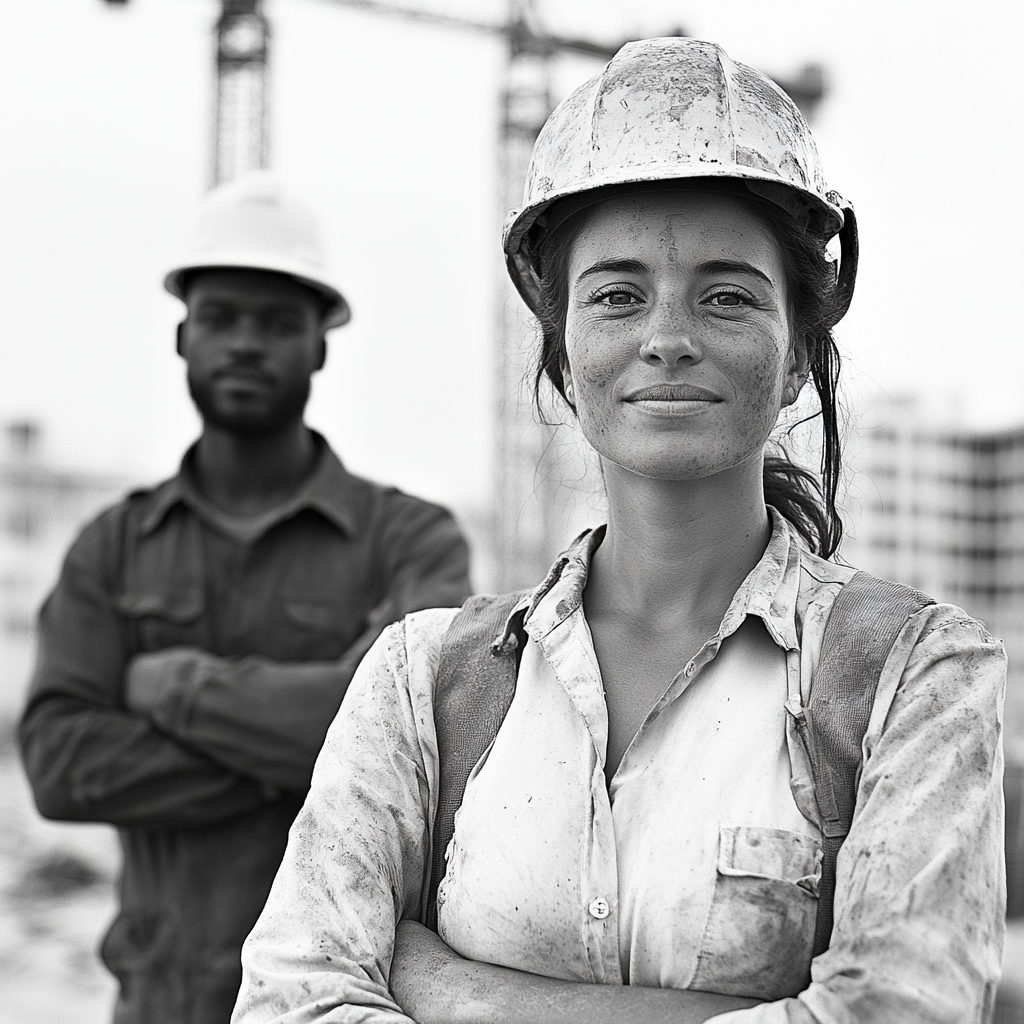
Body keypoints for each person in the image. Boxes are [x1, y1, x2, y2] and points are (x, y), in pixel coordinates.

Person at [232, 39, 1006, 1024]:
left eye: (727, 294)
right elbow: (291, 1003)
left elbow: (904, 1012)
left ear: (799, 360)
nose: (667, 335)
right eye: (616, 294)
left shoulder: (915, 678)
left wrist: (462, 992)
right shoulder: (422, 681)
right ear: (562, 358)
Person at [18, 172, 473, 1024]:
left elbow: (426, 745)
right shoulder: (112, 548)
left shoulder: (413, 541)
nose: (246, 345)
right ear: (183, 336)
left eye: (276, 324)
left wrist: (170, 688)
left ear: (321, 345)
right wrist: (319, 766)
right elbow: (59, 765)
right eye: (223, 319)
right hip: (166, 998)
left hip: (349, 1001)